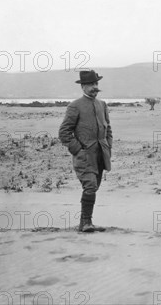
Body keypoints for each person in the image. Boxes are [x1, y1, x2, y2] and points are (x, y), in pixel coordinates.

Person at [59, 70, 112, 232]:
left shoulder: (102, 105)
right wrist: (78, 151)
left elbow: (108, 129)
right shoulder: (75, 106)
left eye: (96, 84)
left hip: (101, 155)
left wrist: (108, 148)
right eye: (90, 85)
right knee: (89, 186)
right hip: (84, 156)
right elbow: (64, 133)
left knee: (94, 187)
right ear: (82, 87)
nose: (94, 87)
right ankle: (86, 223)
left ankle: (87, 222)